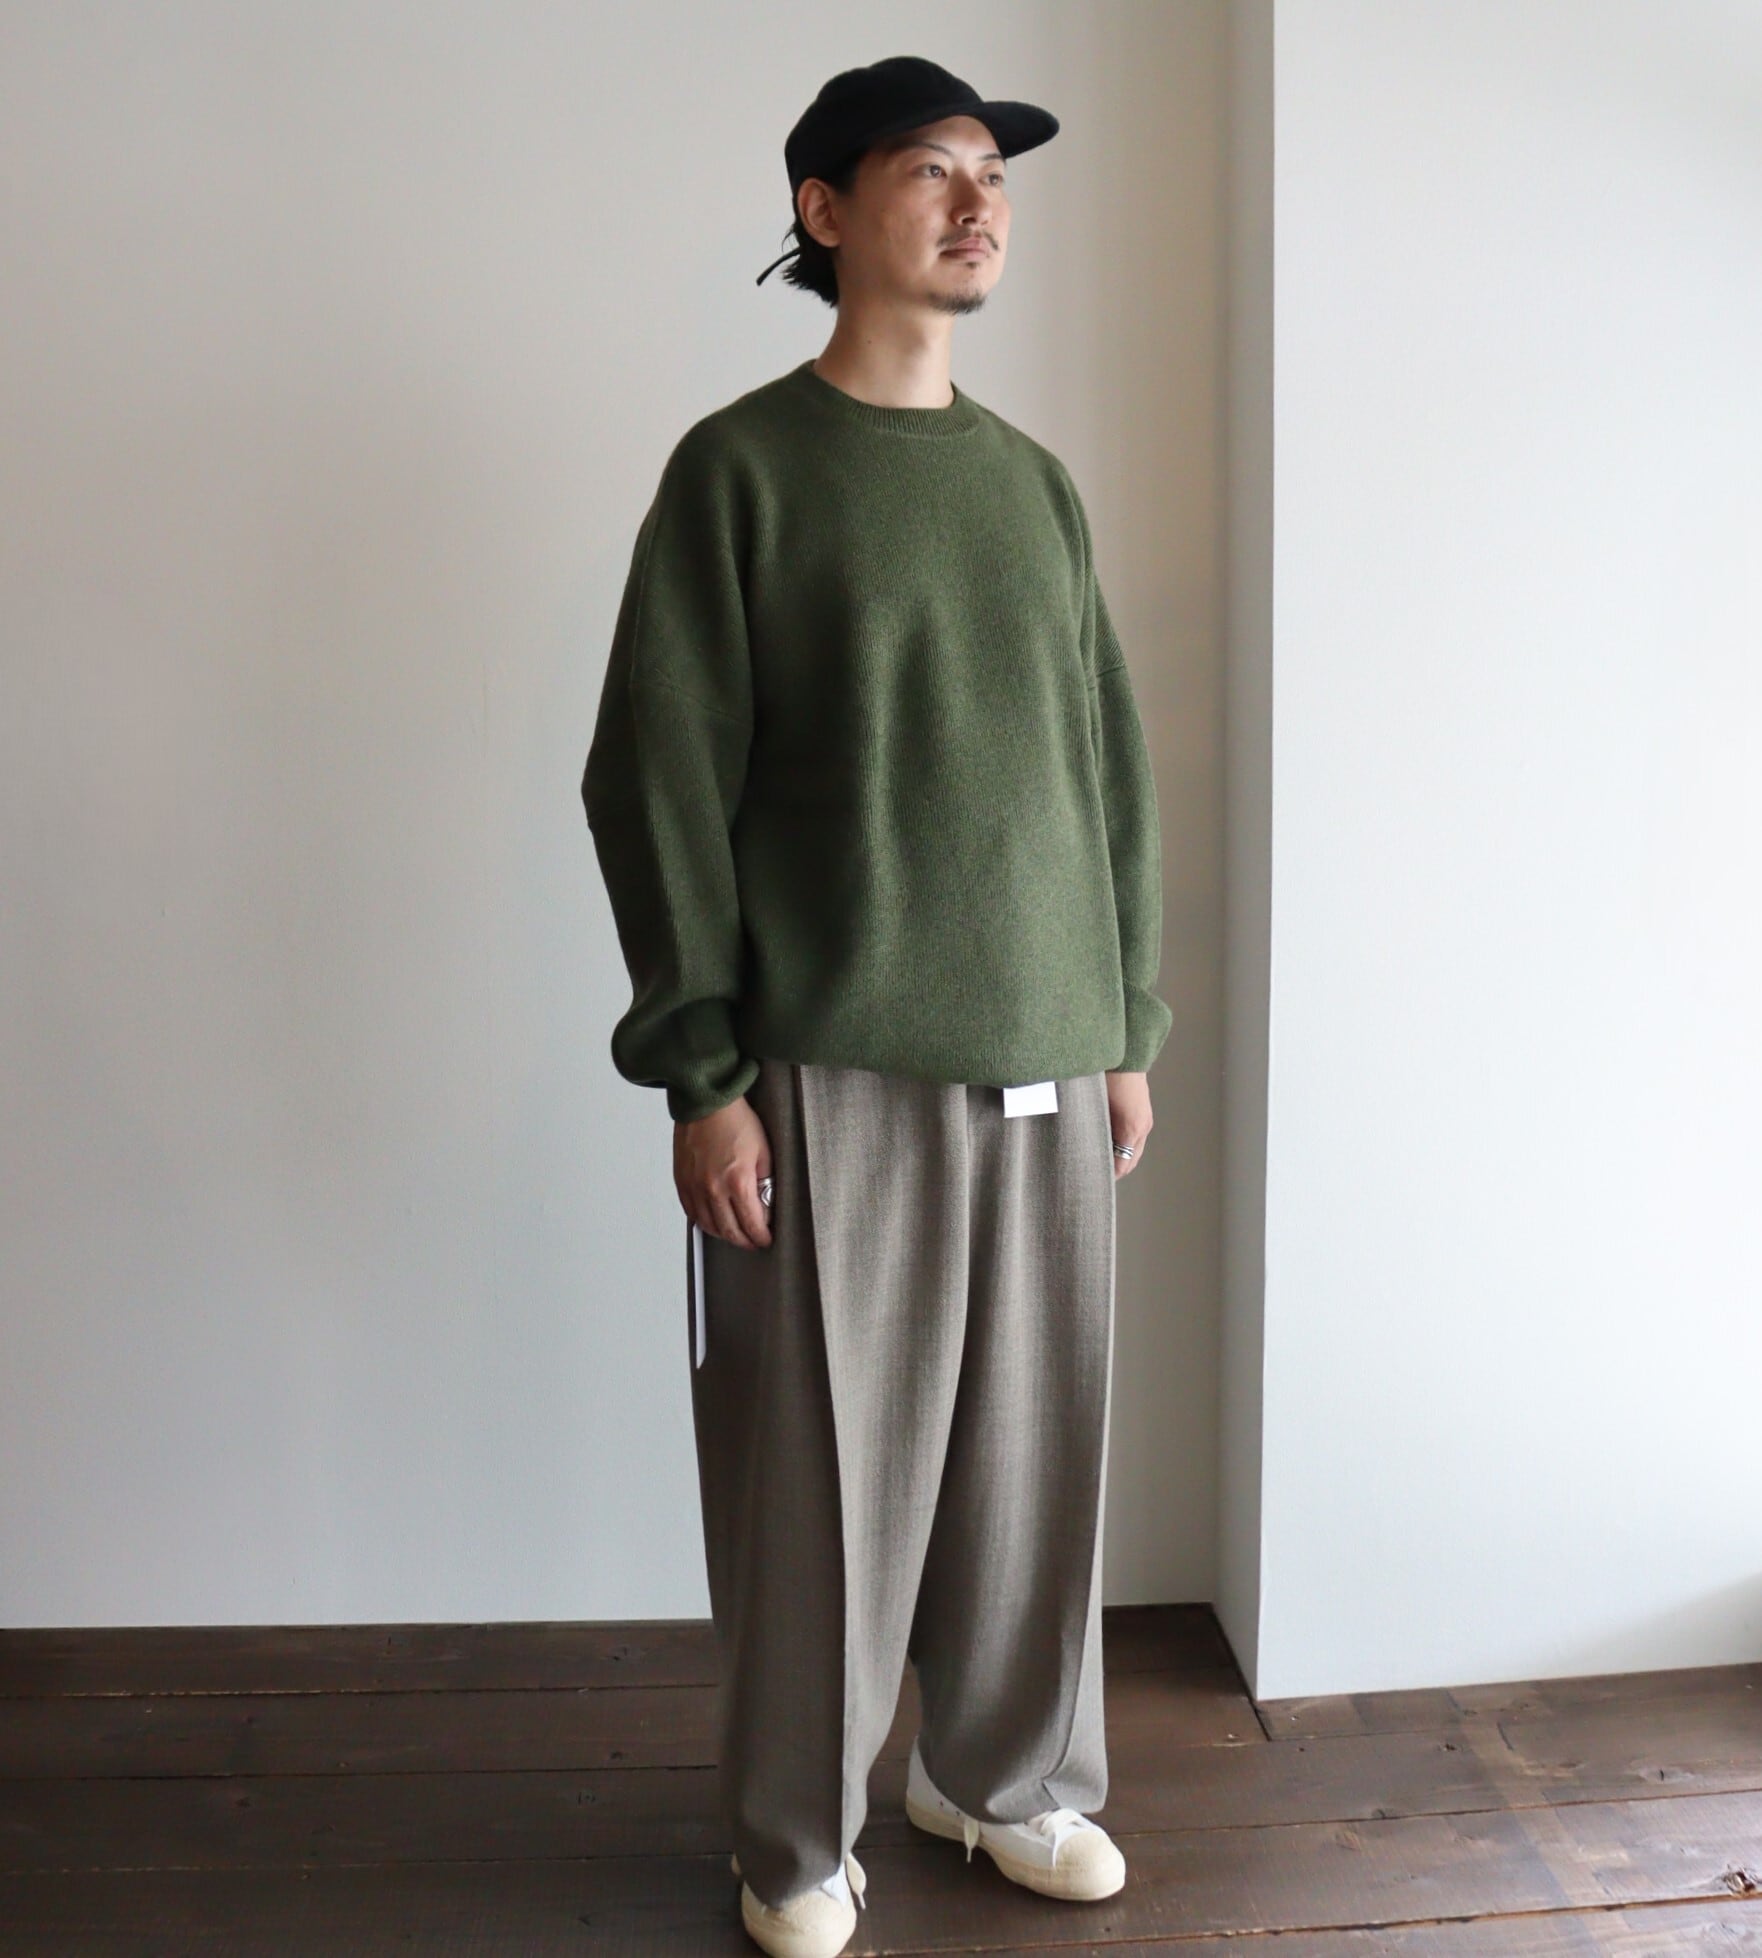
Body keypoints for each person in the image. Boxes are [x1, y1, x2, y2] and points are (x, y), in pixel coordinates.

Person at [581, 54, 1172, 1958]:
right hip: (826, 1062)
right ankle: (794, 1833)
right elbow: (655, 780)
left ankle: (1004, 1778)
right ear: (825, 210)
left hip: (1047, 1055)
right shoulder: (741, 473)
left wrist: (1120, 1021)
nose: (978, 202)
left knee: (1034, 1460)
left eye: (992, 172)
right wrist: (702, 1069)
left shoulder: (1032, 487)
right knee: (816, 1484)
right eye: (930, 169)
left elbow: (1104, 770)